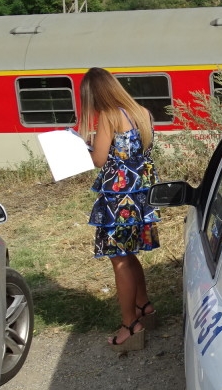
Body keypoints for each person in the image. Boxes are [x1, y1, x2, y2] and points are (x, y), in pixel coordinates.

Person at [79, 67, 160, 352]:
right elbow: (130, 151)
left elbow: (99, 160)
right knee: (130, 254)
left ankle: (130, 324)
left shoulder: (109, 116)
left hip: (118, 199)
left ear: (95, 95)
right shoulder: (141, 112)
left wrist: (84, 147)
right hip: (140, 196)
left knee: (120, 260)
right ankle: (144, 306)